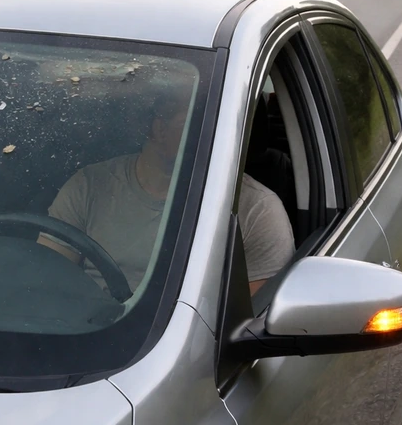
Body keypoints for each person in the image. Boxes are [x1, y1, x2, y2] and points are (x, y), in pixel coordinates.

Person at [38, 92, 294, 295]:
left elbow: (249, 327)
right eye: (194, 122)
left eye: (219, 122)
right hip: (87, 338)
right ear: (157, 129)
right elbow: (46, 283)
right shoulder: (89, 186)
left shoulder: (257, 209)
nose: (214, 133)